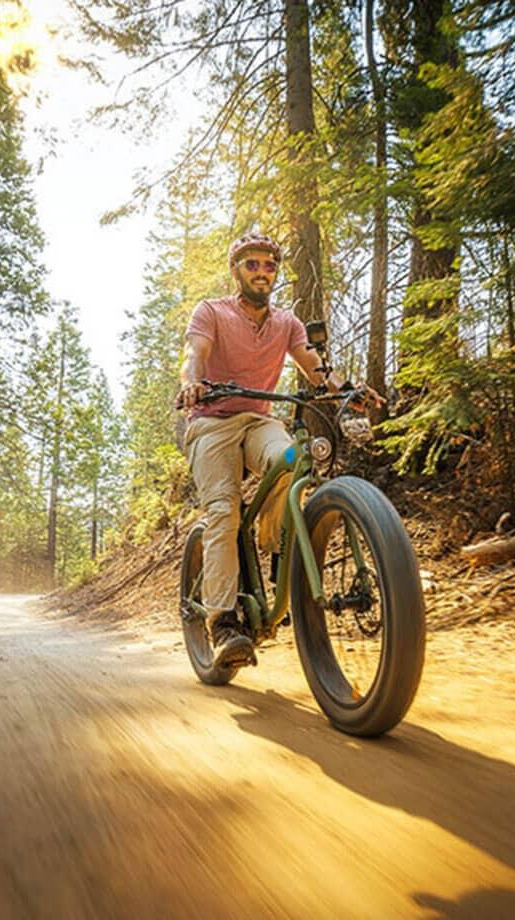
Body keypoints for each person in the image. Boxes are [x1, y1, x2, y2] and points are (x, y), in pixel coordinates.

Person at [176, 230, 367, 668]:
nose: (263, 272)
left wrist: (346, 391)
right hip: (211, 422)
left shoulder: (287, 323)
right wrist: (192, 382)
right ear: (236, 270)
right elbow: (195, 353)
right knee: (223, 512)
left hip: (260, 420)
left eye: (269, 265)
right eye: (252, 264)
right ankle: (223, 622)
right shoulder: (212, 312)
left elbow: (315, 367)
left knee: (293, 461)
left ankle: (278, 548)